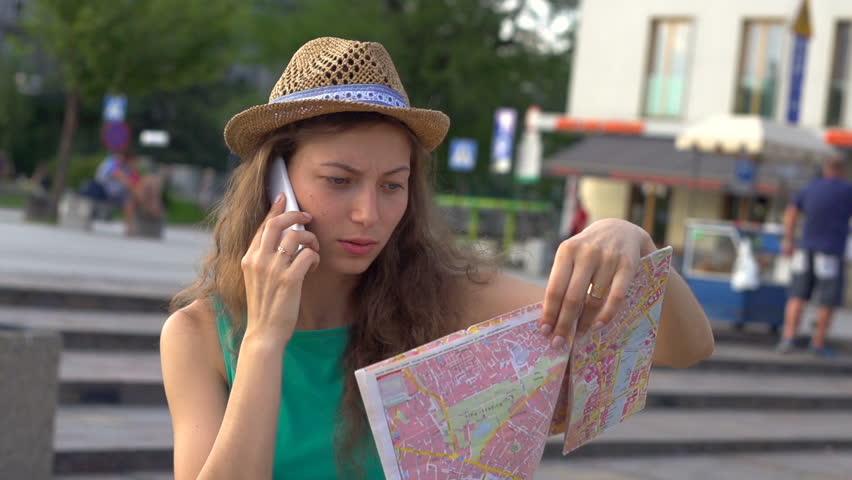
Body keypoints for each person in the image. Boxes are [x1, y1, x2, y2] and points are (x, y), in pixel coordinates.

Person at [160, 37, 715, 480]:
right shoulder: (199, 334)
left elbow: (684, 349)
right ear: (275, 185)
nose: (367, 213)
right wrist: (264, 340)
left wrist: (632, 241)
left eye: (392, 185)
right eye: (338, 181)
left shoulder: (443, 296)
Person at [777, 156, 852, 358]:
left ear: (826, 169)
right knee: (827, 300)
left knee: (798, 295)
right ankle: (817, 343)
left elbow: (792, 213)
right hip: (831, 251)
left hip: (805, 249)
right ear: (842, 171)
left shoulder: (810, 188)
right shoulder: (847, 190)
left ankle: (789, 337)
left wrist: (789, 240)